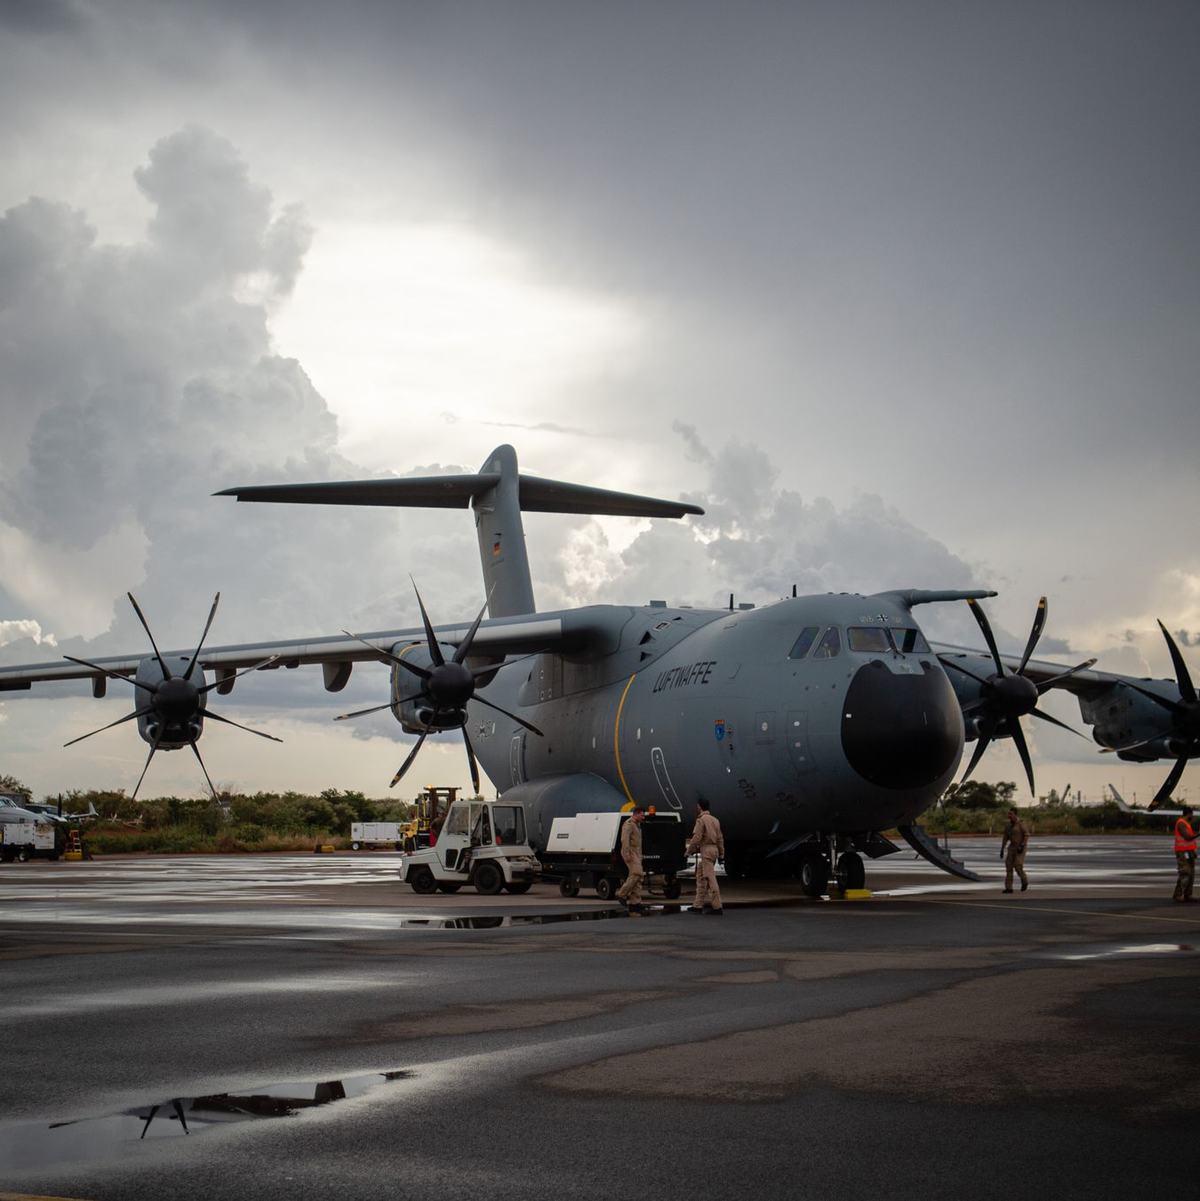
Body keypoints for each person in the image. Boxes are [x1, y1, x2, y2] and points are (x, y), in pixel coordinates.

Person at [686, 799, 725, 915]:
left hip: (706, 850)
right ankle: (697, 905)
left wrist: (689, 851)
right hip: (714, 850)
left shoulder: (701, 820)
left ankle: (717, 907)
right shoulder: (715, 820)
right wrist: (722, 855)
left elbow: (697, 837)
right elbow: (720, 839)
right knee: (700, 876)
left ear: (699, 807)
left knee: (710, 878)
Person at [615, 806, 646, 914]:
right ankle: (622, 894)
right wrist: (626, 853)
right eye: (642, 815)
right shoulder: (629, 824)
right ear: (636, 814)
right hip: (631, 852)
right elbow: (625, 840)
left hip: (636, 853)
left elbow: (639, 842)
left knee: (639, 877)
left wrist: (640, 854)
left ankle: (634, 903)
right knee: (636, 874)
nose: (643, 817)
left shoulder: (637, 825)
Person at [999, 807, 1031, 893]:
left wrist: (1022, 845)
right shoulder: (1008, 826)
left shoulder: (1021, 824)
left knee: (1018, 865)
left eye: (1011, 814)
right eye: (1008, 814)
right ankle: (1009, 887)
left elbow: (1026, 835)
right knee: (1008, 866)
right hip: (1012, 847)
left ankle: (1024, 881)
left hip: (1021, 847)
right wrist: (1002, 849)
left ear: (1015, 815)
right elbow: (1005, 838)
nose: (1009, 816)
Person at [1173, 805, 1196, 903]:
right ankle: (1178, 894)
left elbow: (1189, 841)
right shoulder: (1181, 823)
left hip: (1188, 852)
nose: (1192, 816)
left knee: (1191, 873)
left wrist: (1193, 852)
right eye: (1192, 814)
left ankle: (1187, 894)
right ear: (1189, 814)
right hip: (1182, 852)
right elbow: (1187, 837)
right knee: (1185, 872)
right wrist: (1199, 834)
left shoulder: (1186, 824)